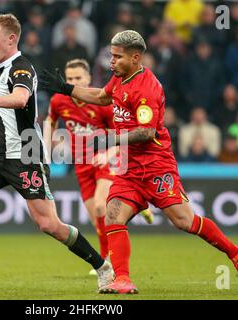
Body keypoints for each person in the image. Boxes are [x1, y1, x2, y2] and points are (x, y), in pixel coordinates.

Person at [40, 30, 238, 294]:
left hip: (156, 166)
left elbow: (147, 132)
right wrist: (67, 88)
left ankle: (236, 253)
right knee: (113, 215)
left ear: (136, 57)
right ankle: (122, 278)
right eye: (111, 55)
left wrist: (109, 138)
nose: (111, 61)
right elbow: (102, 97)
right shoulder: (120, 78)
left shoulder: (147, 88)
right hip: (129, 168)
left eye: (117, 57)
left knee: (184, 222)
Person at [0, 14, 114, 291]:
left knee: (49, 225)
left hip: (27, 156)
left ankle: (102, 266)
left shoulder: (21, 67)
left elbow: (21, 99)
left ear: (11, 39)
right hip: (0, 157)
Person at [45, 58, 153, 274]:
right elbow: (50, 120)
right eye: (70, 78)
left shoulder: (102, 104)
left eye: (78, 78)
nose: (74, 82)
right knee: (97, 219)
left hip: (106, 159)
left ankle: (108, 260)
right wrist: (47, 147)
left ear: (88, 79)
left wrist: (109, 153)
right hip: (81, 163)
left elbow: (122, 134)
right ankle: (136, 213)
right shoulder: (58, 101)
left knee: (101, 207)